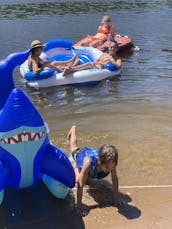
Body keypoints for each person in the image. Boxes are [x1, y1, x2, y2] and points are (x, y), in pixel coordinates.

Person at [67, 125, 125, 215]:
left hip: (93, 159)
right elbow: (80, 184)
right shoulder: (88, 162)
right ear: (99, 161)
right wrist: (79, 205)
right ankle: (73, 129)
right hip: (80, 156)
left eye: (111, 168)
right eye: (107, 168)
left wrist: (116, 197)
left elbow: (114, 179)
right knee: (74, 149)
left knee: (90, 180)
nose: (108, 171)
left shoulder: (110, 162)